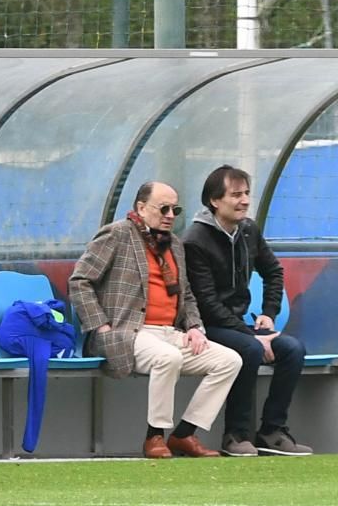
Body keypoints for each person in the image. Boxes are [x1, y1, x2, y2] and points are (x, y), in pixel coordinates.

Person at [69, 181, 242, 459]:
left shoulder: (174, 244)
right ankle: (155, 437)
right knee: (168, 357)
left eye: (176, 209)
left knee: (229, 360)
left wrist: (196, 328)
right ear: (141, 207)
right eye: (163, 208)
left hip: (170, 333)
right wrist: (101, 326)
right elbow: (80, 281)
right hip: (128, 332)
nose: (170, 215)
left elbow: (186, 296)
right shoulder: (117, 234)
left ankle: (184, 434)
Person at [182, 165, 313, 457]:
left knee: (292, 349)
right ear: (214, 201)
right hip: (206, 326)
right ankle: (236, 435)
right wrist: (254, 337)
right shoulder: (195, 240)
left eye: (246, 194)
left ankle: (272, 431)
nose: (244, 201)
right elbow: (206, 304)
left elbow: (273, 271)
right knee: (250, 350)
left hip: (240, 324)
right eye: (235, 195)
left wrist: (268, 312)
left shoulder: (249, 230)